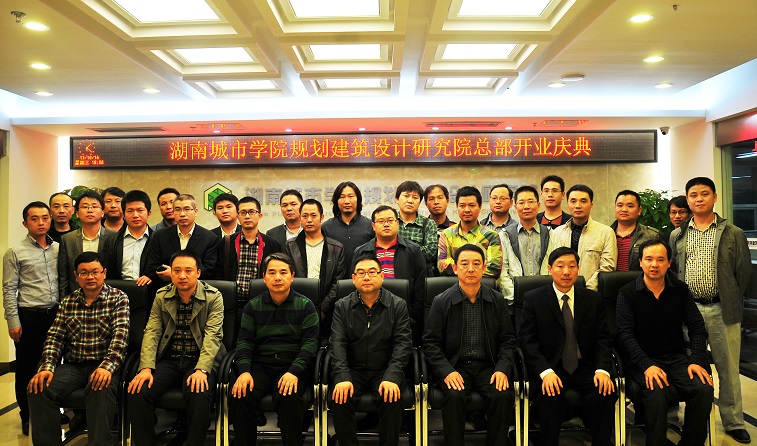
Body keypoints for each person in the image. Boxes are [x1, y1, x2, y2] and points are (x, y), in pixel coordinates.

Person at [670, 176, 752, 444]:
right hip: (688, 311)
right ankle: (692, 419)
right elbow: (674, 271)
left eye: (704, 194)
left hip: (721, 309)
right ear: (688, 199)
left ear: (714, 197)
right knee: (689, 367)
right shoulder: (678, 234)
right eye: (693, 195)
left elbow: (743, 273)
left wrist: (729, 298)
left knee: (728, 368)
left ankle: (733, 421)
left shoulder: (733, 233)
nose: (699, 199)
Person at [616, 239, 714, 446]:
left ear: (669, 263)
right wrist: (646, 365)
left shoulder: (680, 289)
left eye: (660, 260)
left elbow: (697, 326)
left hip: (676, 358)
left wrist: (697, 359)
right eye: (649, 259)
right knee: (656, 390)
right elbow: (625, 335)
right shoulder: (627, 293)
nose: (654, 264)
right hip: (642, 361)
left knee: (703, 388)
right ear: (640, 262)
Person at [27, 251, 129, 446]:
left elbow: (120, 339)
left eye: (95, 272)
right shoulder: (68, 302)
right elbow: (55, 337)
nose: (90, 277)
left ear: (104, 273)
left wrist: (106, 367)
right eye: (84, 273)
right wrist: (47, 367)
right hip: (74, 366)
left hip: (104, 364)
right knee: (39, 388)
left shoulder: (119, 298)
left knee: (100, 387)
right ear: (76, 276)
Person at [127, 250, 225, 446]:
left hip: (199, 359)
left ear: (198, 273)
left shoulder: (213, 297)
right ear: (170, 273)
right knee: (139, 390)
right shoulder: (162, 296)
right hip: (170, 359)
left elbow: (213, 337)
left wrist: (202, 370)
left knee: (199, 391)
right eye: (177, 271)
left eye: (188, 270)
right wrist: (146, 367)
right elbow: (152, 332)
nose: (182, 276)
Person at [520, 247, 617, 446]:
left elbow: (603, 338)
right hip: (551, 366)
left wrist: (602, 369)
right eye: (560, 266)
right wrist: (545, 372)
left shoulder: (592, 299)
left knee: (604, 392)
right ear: (549, 269)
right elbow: (527, 341)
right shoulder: (534, 299)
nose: (566, 272)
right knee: (551, 396)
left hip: (585, 366)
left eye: (572, 266)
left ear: (578, 269)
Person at [423, 244, 517, 446]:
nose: (471, 269)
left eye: (476, 264)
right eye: (464, 264)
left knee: (502, 396)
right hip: (455, 366)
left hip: (488, 366)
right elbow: (430, 343)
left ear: (484, 267)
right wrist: (446, 371)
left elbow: (508, 340)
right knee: (454, 396)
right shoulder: (441, 301)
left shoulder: (497, 300)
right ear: (455, 268)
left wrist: (502, 369)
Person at [230, 253, 319, 446]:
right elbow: (244, 342)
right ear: (264, 277)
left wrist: (294, 371)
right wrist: (244, 371)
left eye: (283, 272)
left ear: (292, 276)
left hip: (292, 366)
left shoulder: (306, 305)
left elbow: (310, 345)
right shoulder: (253, 306)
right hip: (261, 366)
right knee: (241, 394)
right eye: (272, 272)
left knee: (289, 396)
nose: (277, 277)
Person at [329, 253, 412, 446]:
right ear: (353, 278)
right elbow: (337, 343)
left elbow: (403, 344)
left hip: (384, 369)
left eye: (372, 272)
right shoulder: (342, 306)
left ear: (382, 276)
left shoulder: (398, 305)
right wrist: (342, 377)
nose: (366, 277)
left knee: (391, 398)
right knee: (339, 398)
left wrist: (392, 376)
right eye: (361, 273)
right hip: (353, 370)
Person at [2, 202, 59, 435]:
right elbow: (9, 289)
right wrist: (13, 321)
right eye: (34, 219)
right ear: (25, 223)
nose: (41, 222)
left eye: (45, 218)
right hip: (30, 317)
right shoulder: (15, 252)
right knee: (27, 368)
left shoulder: (59, 249)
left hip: (57, 315)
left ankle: (49, 411)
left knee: (54, 365)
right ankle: (27, 415)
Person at [353, 206, 427, 340]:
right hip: (368, 315)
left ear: (397, 223)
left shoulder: (413, 250)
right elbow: (354, 283)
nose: (386, 224)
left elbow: (421, 285)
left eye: (390, 220)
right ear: (373, 226)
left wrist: (413, 316)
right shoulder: (361, 252)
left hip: (404, 316)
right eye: (381, 221)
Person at [284, 199, 345, 333]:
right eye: (305, 216)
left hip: (328, 311)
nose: (309, 220)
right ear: (300, 218)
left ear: (322, 217)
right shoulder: (291, 246)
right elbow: (288, 277)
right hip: (297, 308)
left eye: (313, 215)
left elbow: (337, 283)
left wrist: (323, 309)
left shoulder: (336, 248)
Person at [219, 196, 282, 327]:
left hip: (261, 303)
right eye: (243, 212)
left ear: (260, 215)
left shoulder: (272, 245)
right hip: (232, 305)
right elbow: (218, 273)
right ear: (238, 216)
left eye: (252, 212)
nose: (247, 216)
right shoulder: (226, 243)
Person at [542, 184, 616, 290]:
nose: (577, 206)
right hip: (561, 292)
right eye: (573, 201)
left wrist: (585, 290)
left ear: (591, 205)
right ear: (568, 204)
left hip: (592, 292)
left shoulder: (606, 232)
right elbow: (550, 266)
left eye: (583, 201)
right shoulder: (557, 232)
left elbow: (607, 267)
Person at [145, 193, 220, 286]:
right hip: (165, 288)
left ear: (195, 211)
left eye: (187, 209)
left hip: (196, 289)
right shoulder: (159, 235)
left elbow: (209, 270)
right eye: (177, 210)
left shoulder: (210, 238)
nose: (182, 214)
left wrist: (173, 274)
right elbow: (151, 267)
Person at [58, 190, 116, 297]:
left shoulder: (114, 237)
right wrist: (64, 300)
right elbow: (63, 276)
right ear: (77, 213)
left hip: (107, 298)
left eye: (94, 206)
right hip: (76, 298)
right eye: (85, 207)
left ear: (102, 212)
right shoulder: (67, 239)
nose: (90, 210)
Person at [438, 186, 503, 278]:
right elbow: (441, 264)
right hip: (454, 285)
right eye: (462, 206)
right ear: (457, 207)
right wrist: (477, 268)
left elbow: (494, 268)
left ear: (480, 207)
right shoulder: (446, 234)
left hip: (482, 285)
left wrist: (460, 268)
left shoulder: (491, 236)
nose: (467, 210)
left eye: (472, 205)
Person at [101, 189, 154, 284]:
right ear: (124, 215)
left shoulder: (157, 239)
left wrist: (151, 277)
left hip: (150, 290)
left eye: (140, 210)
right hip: (119, 290)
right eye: (130, 211)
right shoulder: (112, 241)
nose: (135, 215)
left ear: (149, 213)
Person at [322, 181, 374, 268]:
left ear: (358, 199)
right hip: (335, 275)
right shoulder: (326, 227)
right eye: (342, 197)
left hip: (363, 274)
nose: (346, 201)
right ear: (336, 201)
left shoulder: (370, 226)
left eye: (351, 196)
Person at [504, 185, 551, 276]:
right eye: (521, 203)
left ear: (538, 205)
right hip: (515, 285)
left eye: (530, 202)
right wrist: (513, 286)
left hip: (544, 284)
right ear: (515, 207)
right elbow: (503, 271)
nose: (526, 207)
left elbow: (556, 266)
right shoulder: (505, 235)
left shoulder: (550, 234)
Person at [609, 190, 661, 272]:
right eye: (620, 205)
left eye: (630, 206)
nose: (624, 209)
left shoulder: (651, 235)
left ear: (639, 210)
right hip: (609, 280)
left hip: (639, 279)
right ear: (615, 208)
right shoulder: (604, 234)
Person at [395, 181, 438, 276]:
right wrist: (415, 251)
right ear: (397, 199)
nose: (410, 201)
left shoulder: (428, 223)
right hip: (394, 274)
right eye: (406, 196)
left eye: (415, 197)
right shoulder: (390, 221)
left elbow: (431, 252)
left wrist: (399, 252)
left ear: (419, 203)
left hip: (420, 275)